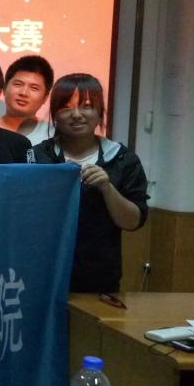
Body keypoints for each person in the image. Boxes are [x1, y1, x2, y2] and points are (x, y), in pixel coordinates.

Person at [31, 73, 149, 296]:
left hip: (99, 278)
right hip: (43, 274)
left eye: (86, 106)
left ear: (100, 111)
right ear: (54, 114)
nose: (76, 115)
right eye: (66, 107)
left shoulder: (122, 159)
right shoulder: (37, 157)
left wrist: (107, 187)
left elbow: (133, 221)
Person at [0, 55, 54, 145]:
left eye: (34, 88)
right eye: (18, 84)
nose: (24, 93)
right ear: (4, 88)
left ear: (45, 97)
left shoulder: (53, 136)